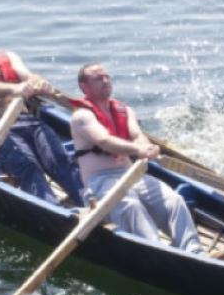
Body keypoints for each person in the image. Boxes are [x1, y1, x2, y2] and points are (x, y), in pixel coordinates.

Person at [0, 13, 84, 206]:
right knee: (28, 167)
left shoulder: (8, 57)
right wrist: (16, 89)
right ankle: (50, 209)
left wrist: (43, 87)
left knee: (60, 160)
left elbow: (28, 77)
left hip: (27, 121)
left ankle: (88, 205)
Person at [69, 63, 202, 252]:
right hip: (102, 182)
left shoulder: (125, 110)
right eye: (98, 78)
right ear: (84, 87)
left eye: (107, 76)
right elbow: (104, 141)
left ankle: (194, 251)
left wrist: (147, 146)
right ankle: (156, 251)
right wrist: (138, 151)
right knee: (131, 206)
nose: (105, 81)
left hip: (132, 174)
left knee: (174, 200)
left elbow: (137, 135)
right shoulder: (82, 116)